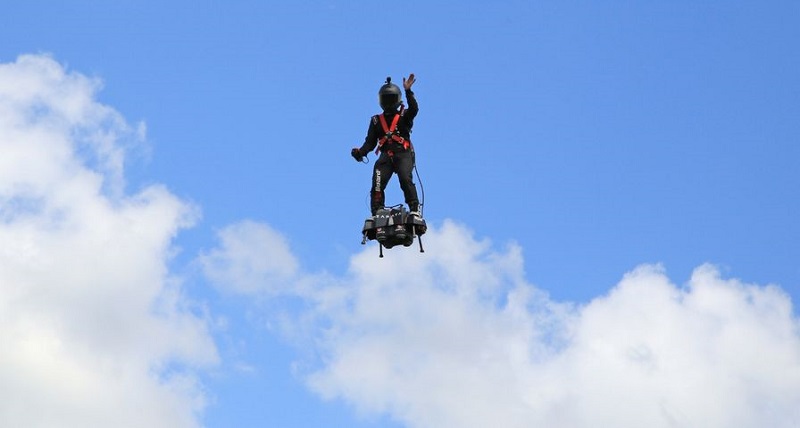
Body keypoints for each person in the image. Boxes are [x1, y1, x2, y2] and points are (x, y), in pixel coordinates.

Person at [351, 74, 420, 218]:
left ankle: (414, 207)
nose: (388, 102)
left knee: (405, 178)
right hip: (385, 157)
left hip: (403, 153)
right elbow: (370, 142)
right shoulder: (376, 121)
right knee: (377, 182)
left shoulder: (404, 116)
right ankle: (377, 211)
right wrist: (360, 153)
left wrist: (408, 91)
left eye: (391, 98)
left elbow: (414, 109)